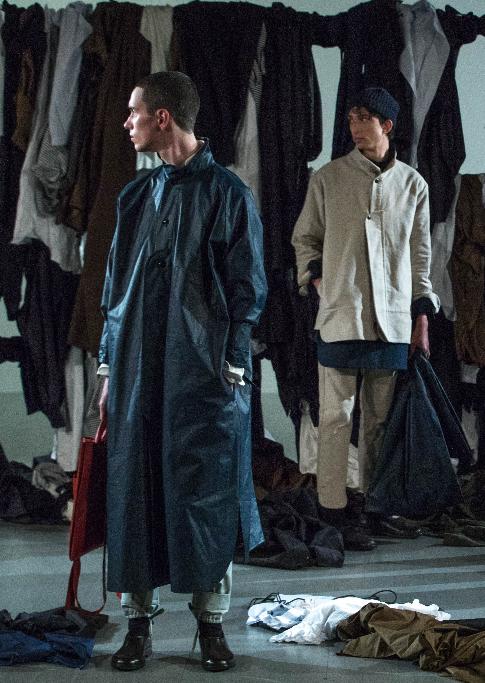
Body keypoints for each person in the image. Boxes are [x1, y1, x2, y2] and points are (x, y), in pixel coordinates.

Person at [98, 71, 266, 672]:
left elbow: (247, 291)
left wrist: (233, 368)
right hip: (137, 374)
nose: (128, 122)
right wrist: (108, 370)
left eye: (134, 111)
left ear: (162, 117)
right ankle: (136, 624)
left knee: (206, 494)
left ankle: (211, 624)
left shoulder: (228, 194)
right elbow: (115, 292)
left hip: (204, 375)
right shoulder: (135, 198)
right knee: (134, 491)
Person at [291, 87, 438, 543]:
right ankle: (333, 510)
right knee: (335, 417)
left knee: (378, 422)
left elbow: (421, 258)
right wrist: (318, 280)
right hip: (340, 316)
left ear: (387, 125)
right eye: (352, 118)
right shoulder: (328, 178)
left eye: (364, 118)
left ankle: (374, 507)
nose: (355, 127)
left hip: (391, 322)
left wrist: (421, 317)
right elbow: (305, 238)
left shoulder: (413, 185)